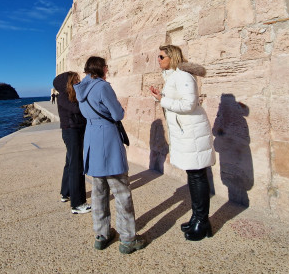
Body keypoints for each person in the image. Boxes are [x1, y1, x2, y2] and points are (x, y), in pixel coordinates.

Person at [74, 56, 147, 254]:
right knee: (121, 191)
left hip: (92, 139)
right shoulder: (103, 87)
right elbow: (117, 114)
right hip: (107, 138)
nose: (107, 69)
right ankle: (128, 238)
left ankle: (101, 234)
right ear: (101, 68)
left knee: (99, 192)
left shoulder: (80, 88)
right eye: (106, 66)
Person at [149, 45, 216, 241]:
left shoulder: (184, 76)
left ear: (172, 56)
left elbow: (189, 104)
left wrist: (163, 101)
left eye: (161, 56)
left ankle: (202, 222)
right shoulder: (172, 76)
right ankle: (197, 218)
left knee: (197, 175)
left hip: (191, 132)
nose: (158, 60)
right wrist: (160, 96)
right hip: (185, 132)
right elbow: (176, 100)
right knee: (194, 175)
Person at [53, 72, 91, 214]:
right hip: (71, 132)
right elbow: (77, 109)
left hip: (74, 131)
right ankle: (78, 203)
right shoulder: (63, 96)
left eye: (78, 79)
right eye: (75, 79)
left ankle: (66, 193)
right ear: (68, 82)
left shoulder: (71, 95)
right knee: (76, 166)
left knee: (70, 162)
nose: (78, 81)